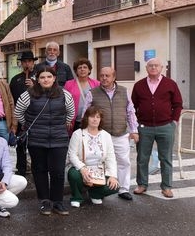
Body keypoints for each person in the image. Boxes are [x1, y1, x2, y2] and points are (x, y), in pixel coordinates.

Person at [14, 66, 75, 215]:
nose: (46, 80)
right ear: (37, 79)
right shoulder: (27, 95)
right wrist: (29, 125)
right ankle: (44, 202)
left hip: (59, 139)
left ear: (54, 78)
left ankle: (58, 202)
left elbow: (71, 113)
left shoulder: (65, 94)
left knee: (58, 171)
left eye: (49, 77)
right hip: (36, 139)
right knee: (40, 171)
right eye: (42, 77)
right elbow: (18, 113)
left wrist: (61, 125)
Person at [84, 66, 139, 201]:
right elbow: (85, 114)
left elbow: (130, 111)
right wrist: (86, 132)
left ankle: (123, 189)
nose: (104, 78)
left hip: (121, 133)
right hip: (100, 135)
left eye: (107, 76)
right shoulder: (92, 93)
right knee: (99, 162)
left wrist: (134, 130)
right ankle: (99, 189)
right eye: (102, 75)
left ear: (114, 77)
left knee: (123, 162)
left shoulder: (124, 91)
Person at [131, 58, 183, 198]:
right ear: (146, 68)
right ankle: (142, 185)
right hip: (144, 127)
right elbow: (132, 107)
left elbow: (178, 104)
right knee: (142, 158)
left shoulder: (170, 84)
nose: (153, 68)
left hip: (166, 127)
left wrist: (174, 122)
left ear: (162, 68)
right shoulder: (139, 85)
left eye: (156, 66)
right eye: (150, 66)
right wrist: (135, 125)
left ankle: (166, 187)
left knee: (166, 158)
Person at [66, 106, 120, 208]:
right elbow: (72, 155)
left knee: (114, 186)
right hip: (82, 168)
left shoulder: (106, 136)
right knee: (74, 174)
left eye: (98, 117)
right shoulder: (78, 134)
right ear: (87, 118)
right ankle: (77, 197)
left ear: (100, 120)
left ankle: (95, 194)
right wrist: (82, 169)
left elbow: (111, 157)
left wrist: (113, 176)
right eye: (92, 116)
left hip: (99, 170)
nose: (95, 119)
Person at [9, 51, 37, 177]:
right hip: (20, 117)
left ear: (33, 63)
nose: (27, 64)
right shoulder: (15, 79)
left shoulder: (39, 77)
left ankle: (36, 170)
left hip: (35, 117)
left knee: (35, 145)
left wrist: (34, 85)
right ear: (21, 63)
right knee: (20, 144)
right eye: (25, 61)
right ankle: (21, 170)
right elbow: (11, 99)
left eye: (29, 61)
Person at [63, 58, 99, 130]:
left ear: (89, 70)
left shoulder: (96, 84)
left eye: (85, 67)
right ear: (76, 71)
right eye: (79, 68)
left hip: (92, 119)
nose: (82, 69)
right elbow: (64, 102)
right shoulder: (69, 84)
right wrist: (67, 119)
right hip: (75, 121)